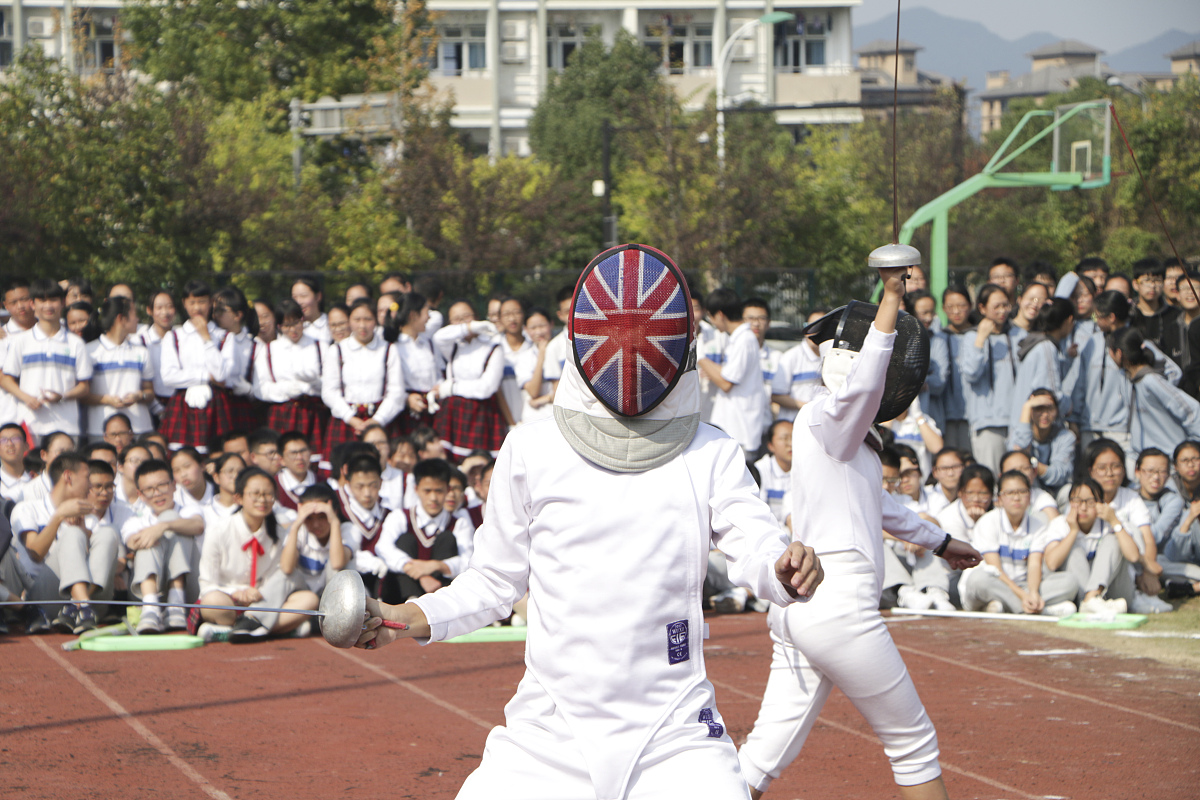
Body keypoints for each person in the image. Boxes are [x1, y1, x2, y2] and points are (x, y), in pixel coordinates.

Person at [357, 244, 822, 800]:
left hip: (675, 731)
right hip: (548, 732)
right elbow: (495, 580)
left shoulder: (710, 452)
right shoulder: (530, 449)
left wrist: (782, 568)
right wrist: (407, 615)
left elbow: (758, 545)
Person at [738, 261, 980, 800]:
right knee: (914, 744)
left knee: (759, 758)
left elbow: (884, 508)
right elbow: (864, 384)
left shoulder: (844, 435)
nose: (893, 374)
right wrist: (891, 297)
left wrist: (942, 542)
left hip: (801, 608)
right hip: (838, 604)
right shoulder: (830, 417)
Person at [197, 467, 318, 641]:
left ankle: (237, 628)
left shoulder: (278, 533)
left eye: (268, 494)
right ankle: (273, 629)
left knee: (309, 600)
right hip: (229, 601)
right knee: (211, 601)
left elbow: (279, 579)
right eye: (255, 494)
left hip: (265, 601)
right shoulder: (218, 531)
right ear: (238, 498)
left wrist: (259, 594)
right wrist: (237, 592)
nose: (262, 500)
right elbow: (207, 584)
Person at [10, 452, 120, 634]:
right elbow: (36, 553)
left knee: (109, 533)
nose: (90, 485)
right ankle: (81, 605)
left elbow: (95, 564)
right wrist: (59, 516)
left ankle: (80, 604)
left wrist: (83, 530)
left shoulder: (89, 517)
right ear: (68, 477)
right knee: (72, 533)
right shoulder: (27, 508)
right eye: (87, 478)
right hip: (44, 599)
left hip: (92, 602)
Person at [959, 470, 1077, 616]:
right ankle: (1032, 610)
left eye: (1022, 492)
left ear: (1030, 497)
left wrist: (1033, 593)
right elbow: (995, 569)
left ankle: (1011, 606)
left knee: (1069, 582)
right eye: (1010, 493)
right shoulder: (988, 522)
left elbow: (1034, 564)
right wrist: (1023, 596)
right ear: (1000, 499)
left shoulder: (1038, 525)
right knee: (978, 579)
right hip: (994, 583)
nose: (1016, 497)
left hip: (1023, 586)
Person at [1084, 438, 1171, 613]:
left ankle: (1137, 595)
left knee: (1132, 530)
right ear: (1091, 471)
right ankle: (1091, 598)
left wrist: (1148, 573)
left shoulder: (1131, 498)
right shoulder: (1081, 496)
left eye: (1115, 466)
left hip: (1122, 574)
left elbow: (1148, 539)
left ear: (1124, 470)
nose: (1109, 473)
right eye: (1102, 468)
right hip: (1087, 571)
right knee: (1113, 539)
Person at [0, 278, 93, 442]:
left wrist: (62, 396)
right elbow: (6, 379)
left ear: (63, 303)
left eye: (53, 300)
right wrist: (27, 398)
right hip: (30, 425)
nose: (48, 306)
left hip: (67, 426)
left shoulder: (76, 343)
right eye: (42, 301)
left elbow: (84, 387)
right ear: (33, 304)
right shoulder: (21, 341)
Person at [120, 458, 205, 633]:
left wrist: (164, 526)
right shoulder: (135, 520)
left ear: (173, 486)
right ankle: (151, 607)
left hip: (189, 588)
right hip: (146, 590)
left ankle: (176, 603)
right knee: (147, 539)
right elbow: (132, 541)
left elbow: (198, 526)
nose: (157, 494)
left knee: (171, 519)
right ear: (140, 494)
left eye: (162, 486)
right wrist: (153, 532)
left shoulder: (189, 509)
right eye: (149, 489)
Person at [374, 458, 475, 602]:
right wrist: (418, 571)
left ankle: (437, 602)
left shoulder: (459, 523)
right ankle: (411, 600)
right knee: (405, 540)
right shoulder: (400, 516)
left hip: (439, 591)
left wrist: (436, 566)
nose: (433, 498)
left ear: (448, 490)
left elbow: (468, 561)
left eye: (439, 491)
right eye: (427, 491)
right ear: (416, 489)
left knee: (447, 539)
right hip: (401, 593)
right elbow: (383, 547)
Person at [320, 298, 405, 456]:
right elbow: (329, 392)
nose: (362, 325)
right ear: (349, 321)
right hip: (346, 421)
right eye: (357, 320)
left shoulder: (388, 350)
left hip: (381, 421)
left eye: (368, 319)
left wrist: (378, 420)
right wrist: (351, 418)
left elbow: (396, 392)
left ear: (376, 320)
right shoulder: (337, 350)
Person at [1042, 478, 1137, 615]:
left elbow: (1133, 556)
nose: (1083, 508)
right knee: (1073, 550)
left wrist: (1114, 521)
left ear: (1101, 504)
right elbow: (1051, 563)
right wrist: (1073, 532)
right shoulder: (1060, 524)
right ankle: (1090, 601)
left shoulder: (1110, 521)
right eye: (1077, 501)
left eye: (1090, 502)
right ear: (1070, 503)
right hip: (1077, 593)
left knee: (1113, 540)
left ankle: (1091, 598)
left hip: (1113, 591)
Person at [158, 281, 231, 453]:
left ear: (211, 302)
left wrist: (206, 337)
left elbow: (221, 375)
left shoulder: (224, 336)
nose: (197, 308)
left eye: (202, 302)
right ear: (184, 304)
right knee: (180, 455)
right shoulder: (174, 336)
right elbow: (169, 376)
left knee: (217, 454)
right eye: (192, 302)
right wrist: (205, 377)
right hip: (182, 404)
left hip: (215, 404)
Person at [960, 283, 1023, 475]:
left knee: (1018, 475)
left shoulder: (1019, 335)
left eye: (1005, 305)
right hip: (987, 422)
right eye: (996, 306)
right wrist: (980, 339)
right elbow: (971, 373)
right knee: (991, 476)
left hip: (1017, 420)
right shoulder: (971, 337)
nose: (1002, 311)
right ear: (982, 308)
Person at [430, 301, 507, 459]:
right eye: (456, 319)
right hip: (454, 412)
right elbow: (438, 337)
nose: (462, 323)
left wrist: (451, 388)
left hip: (482, 412)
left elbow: (487, 387)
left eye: (466, 317)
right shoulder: (453, 345)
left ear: (476, 317)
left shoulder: (493, 346)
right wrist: (469, 327)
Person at [1108, 327, 1200, 457]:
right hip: (1144, 458)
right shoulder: (1130, 380)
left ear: (1119, 353)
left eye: (1110, 351)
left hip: (1168, 457)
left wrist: (1193, 446)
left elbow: (1192, 410)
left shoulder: (1151, 381)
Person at [698, 288, 768, 457]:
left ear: (720, 315)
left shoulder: (744, 340)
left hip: (741, 431)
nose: (712, 323)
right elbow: (727, 373)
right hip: (734, 428)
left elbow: (726, 383)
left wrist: (699, 357)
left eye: (711, 317)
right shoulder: (738, 338)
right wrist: (713, 369)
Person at [253, 298, 325, 460]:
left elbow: (330, 383)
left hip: (313, 411)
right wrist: (287, 389)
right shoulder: (269, 350)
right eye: (286, 325)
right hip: (283, 412)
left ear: (302, 320)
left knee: (312, 458)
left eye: (296, 323)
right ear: (278, 326)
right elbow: (260, 388)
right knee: (281, 458)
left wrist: (314, 384)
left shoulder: (320, 346)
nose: (293, 329)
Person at [85, 296, 155, 440]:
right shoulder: (90, 351)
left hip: (139, 428)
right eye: (134, 314)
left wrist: (139, 396)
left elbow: (150, 392)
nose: (137, 319)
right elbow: (83, 394)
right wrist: (107, 400)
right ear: (121, 318)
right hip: (101, 429)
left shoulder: (141, 352)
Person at [1135, 448, 1199, 593]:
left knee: (1159, 562)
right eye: (1150, 471)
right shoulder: (1129, 495)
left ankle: (1187, 588)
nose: (1155, 477)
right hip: (1132, 555)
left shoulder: (1173, 500)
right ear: (1137, 472)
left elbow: (1156, 535)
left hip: (1162, 559)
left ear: (1169, 474)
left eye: (1162, 472)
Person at [1011, 297, 1076, 428]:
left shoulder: (1038, 343)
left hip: (1020, 423)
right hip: (1031, 428)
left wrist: (1068, 359)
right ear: (1069, 320)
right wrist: (1068, 406)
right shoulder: (1047, 348)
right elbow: (1051, 394)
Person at [279, 482, 349, 596]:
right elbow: (286, 568)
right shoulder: (299, 530)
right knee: (281, 573)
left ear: (334, 511)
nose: (316, 524)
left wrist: (334, 522)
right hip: (304, 596)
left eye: (322, 516)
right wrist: (295, 526)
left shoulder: (347, 529)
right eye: (309, 518)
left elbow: (337, 564)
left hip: (335, 596)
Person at [1007, 389, 1075, 498]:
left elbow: (1059, 475)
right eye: (1039, 408)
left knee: (1069, 491)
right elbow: (1017, 460)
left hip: (1056, 491)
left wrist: (1031, 464)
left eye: (1049, 408)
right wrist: (1026, 407)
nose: (1045, 414)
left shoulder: (1066, 436)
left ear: (1057, 410)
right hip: (1027, 490)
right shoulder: (1019, 432)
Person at [393, 292, 443, 436]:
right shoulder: (394, 346)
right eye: (426, 312)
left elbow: (438, 373)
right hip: (406, 411)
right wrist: (406, 398)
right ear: (413, 315)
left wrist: (439, 387)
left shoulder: (429, 343)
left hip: (431, 407)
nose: (429, 318)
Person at [771, 310, 825, 423]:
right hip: (794, 424)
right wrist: (809, 407)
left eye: (821, 327)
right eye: (811, 326)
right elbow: (777, 395)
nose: (815, 332)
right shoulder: (790, 357)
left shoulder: (833, 356)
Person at [938, 286, 973, 453]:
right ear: (943, 309)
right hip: (946, 415)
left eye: (961, 306)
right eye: (950, 307)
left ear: (971, 306)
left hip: (973, 415)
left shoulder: (979, 336)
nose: (956, 311)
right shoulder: (939, 337)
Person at [515, 306, 557, 425]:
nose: (539, 332)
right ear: (525, 329)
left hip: (558, 418)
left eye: (542, 326)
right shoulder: (523, 358)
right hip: (533, 420)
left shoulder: (562, 351)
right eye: (533, 328)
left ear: (551, 324)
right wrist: (541, 356)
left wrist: (545, 399)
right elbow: (533, 392)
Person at [1130, 257, 1181, 355]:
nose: (1152, 286)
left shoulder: (1176, 315)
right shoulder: (1129, 316)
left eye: (1157, 281)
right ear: (1135, 284)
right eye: (1147, 280)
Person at [753, 420, 792, 525]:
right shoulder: (760, 470)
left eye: (794, 437)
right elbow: (759, 511)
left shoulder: (804, 469)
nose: (791, 444)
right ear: (770, 445)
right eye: (784, 438)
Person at [924, 447, 964, 522]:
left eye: (956, 467)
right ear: (935, 472)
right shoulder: (926, 496)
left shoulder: (968, 495)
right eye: (944, 468)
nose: (950, 473)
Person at [292, 277, 331, 345]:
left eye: (303, 296)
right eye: (294, 297)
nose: (298, 302)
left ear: (318, 296)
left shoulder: (330, 324)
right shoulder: (290, 328)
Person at [0, 422, 30, 503]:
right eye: (3, 440)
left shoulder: (37, 478)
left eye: (15, 439)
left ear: (26, 446)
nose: (10, 444)